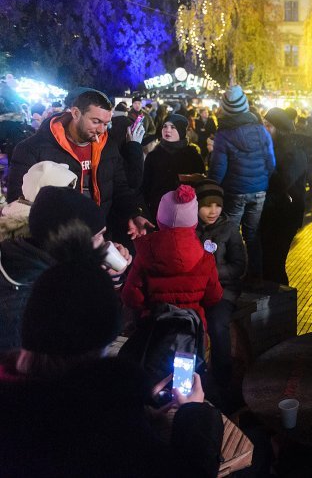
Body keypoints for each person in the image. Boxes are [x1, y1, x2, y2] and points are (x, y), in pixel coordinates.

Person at [0, 222, 223, 476]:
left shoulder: (15, 406)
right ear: (104, 338)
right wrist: (195, 415)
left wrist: (144, 417)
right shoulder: (102, 425)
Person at [7, 88, 152, 240]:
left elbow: (120, 187)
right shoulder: (31, 149)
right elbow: (19, 202)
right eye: (96, 122)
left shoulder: (107, 145)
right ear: (76, 113)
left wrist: (133, 213)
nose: (102, 130)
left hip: (101, 235)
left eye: (106, 124)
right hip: (57, 242)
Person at [0, 186, 130, 351]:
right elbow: (93, 337)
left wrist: (111, 278)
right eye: (98, 236)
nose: (105, 243)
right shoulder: (28, 296)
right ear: (73, 241)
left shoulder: (46, 266)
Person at [122, 185, 223, 331]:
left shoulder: (145, 254)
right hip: (192, 330)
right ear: (194, 222)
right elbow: (213, 297)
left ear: (160, 219)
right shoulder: (205, 258)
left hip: (155, 329)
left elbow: (130, 297)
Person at [208, 86, 275, 279]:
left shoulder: (224, 134)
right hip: (259, 191)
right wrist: (262, 182)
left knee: (228, 234)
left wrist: (211, 187)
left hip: (235, 191)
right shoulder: (261, 130)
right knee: (252, 235)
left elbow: (218, 169)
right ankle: (255, 277)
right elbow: (270, 162)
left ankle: (230, 276)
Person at [193, 178, 245, 406]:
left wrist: (212, 271)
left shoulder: (230, 228)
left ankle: (223, 382)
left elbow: (239, 266)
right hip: (195, 289)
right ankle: (195, 378)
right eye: (207, 205)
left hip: (224, 289)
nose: (213, 211)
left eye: (217, 205)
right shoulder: (189, 228)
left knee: (217, 323)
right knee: (190, 321)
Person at [259, 108, 312, 285]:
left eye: (268, 125)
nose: (264, 129)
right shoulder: (274, 147)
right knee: (266, 263)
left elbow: (283, 182)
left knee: (275, 264)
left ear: (278, 128)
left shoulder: (293, 152)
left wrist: (264, 167)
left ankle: (282, 305)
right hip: (271, 211)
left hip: (284, 215)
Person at [141, 114, 205, 221]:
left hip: (186, 213)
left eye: (173, 127)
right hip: (158, 212)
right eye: (165, 126)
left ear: (181, 130)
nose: (167, 130)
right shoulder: (154, 155)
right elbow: (145, 186)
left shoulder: (193, 155)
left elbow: (201, 183)